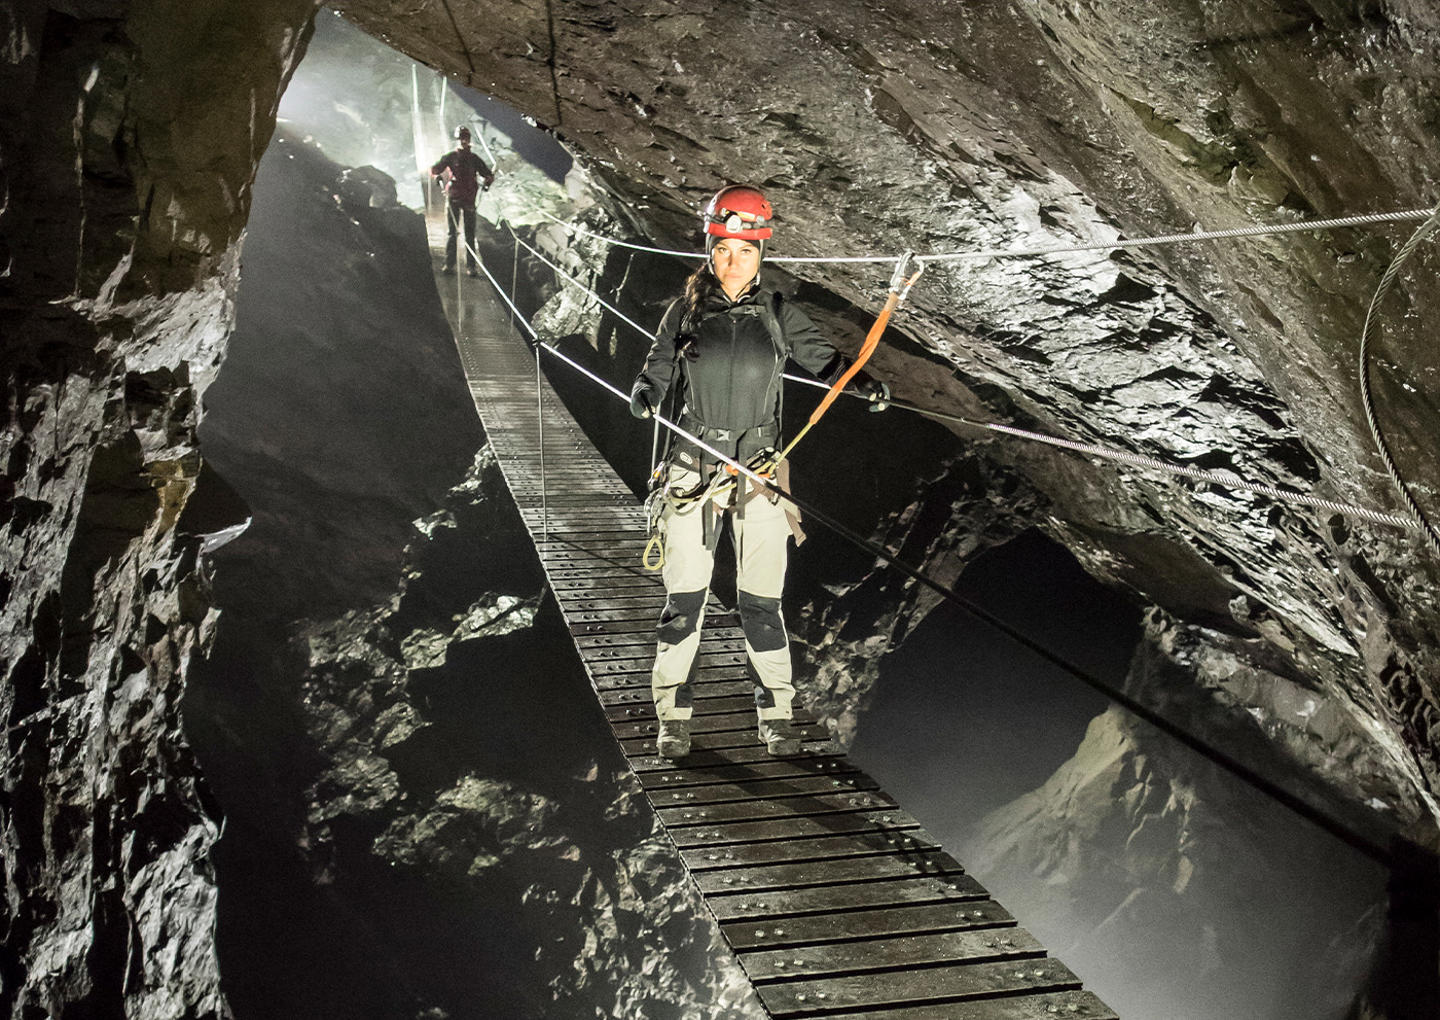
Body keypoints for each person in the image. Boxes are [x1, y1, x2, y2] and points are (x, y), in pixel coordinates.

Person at [629, 184, 889, 759]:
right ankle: (673, 717)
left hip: (759, 469)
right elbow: (659, 363)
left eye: (745, 251)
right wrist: (645, 391)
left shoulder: (777, 313)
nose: (732, 261)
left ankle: (776, 715)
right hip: (693, 465)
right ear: (710, 248)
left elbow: (826, 362)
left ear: (761, 254)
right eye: (723, 249)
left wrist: (863, 385)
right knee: (685, 601)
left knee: (761, 602)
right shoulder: (685, 310)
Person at [430, 126, 494, 276]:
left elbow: (488, 174)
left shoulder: (473, 159)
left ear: (469, 140)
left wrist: (488, 181)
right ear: (457, 140)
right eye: (461, 138)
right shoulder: (453, 157)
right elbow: (434, 169)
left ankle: (471, 267)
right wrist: (437, 176)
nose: (463, 141)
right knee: (452, 233)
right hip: (455, 198)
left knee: (469, 234)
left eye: (465, 138)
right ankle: (450, 264)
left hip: (467, 199)